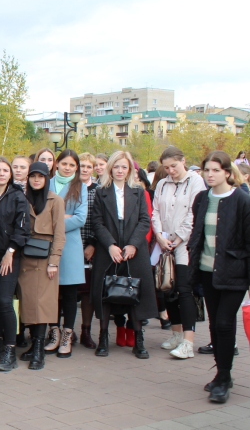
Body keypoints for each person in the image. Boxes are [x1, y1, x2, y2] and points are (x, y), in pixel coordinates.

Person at [189, 151, 250, 403]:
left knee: (225, 323)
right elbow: (198, 233)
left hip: (234, 273)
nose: (210, 174)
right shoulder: (202, 198)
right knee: (214, 324)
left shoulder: (242, 200)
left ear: (227, 172)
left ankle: (224, 378)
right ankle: (221, 373)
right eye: (207, 170)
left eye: (215, 170)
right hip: (206, 271)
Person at [91, 151, 157, 359]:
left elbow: (145, 220)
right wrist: (110, 245)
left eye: (124, 167)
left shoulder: (138, 191)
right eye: (116, 167)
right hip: (108, 247)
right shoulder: (101, 192)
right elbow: (97, 222)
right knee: (105, 292)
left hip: (133, 248)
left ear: (130, 170)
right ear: (110, 168)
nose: (120, 171)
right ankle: (103, 338)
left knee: (136, 292)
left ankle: (138, 339)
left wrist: (133, 245)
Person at [152, 146, 207, 359]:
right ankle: (175, 333)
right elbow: (155, 211)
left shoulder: (195, 181)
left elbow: (195, 212)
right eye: (166, 167)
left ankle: (188, 340)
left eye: (173, 166)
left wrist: (178, 236)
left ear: (183, 161)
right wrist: (159, 235)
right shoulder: (163, 184)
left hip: (184, 243)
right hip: (164, 242)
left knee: (184, 289)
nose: (170, 171)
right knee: (168, 288)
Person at [0, 158, 29, 370]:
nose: (1, 174)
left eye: (5, 170)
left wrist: (11, 251)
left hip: (8, 256)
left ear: (10, 174)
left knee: (4, 300)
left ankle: (10, 349)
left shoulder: (17, 196)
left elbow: (22, 228)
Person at [18, 162, 66, 370]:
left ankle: (38, 348)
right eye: (32, 176)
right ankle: (33, 343)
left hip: (45, 258)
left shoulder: (56, 200)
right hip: (24, 256)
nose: (36, 180)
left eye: (41, 176)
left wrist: (54, 261)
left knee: (42, 304)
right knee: (28, 302)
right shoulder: (22, 198)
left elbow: (60, 234)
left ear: (47, 178)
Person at [45, 150, 87, 358]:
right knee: (51, 291)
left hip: (70, 246)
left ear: (76, 167)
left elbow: (80, 218)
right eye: (64, 163)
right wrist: (61, 218)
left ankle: (67, 335)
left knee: (70, 293)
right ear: (57, 164)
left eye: (71, 164)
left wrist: (54, 222)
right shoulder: (47, 183)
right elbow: (40, 213)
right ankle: (53, 332)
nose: (67, 167)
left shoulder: (81, 187)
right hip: (48, 244)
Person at [78, 153, 99, 348]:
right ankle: (61, 329)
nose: (84, 169)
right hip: (69, 244)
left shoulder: (98, 190)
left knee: (87, 292)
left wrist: (92, 243)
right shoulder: (69, 188)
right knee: (64, 291)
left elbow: (100, 219)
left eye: (88, 166)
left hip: (90, 246)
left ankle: (85, 329)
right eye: (81, 166)